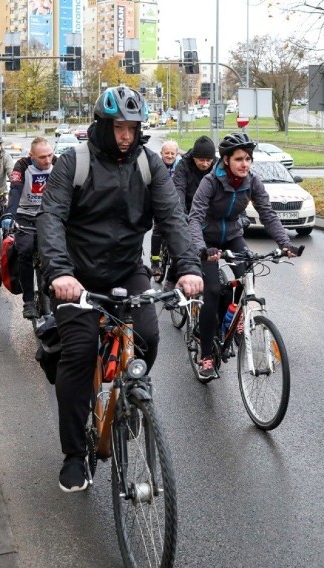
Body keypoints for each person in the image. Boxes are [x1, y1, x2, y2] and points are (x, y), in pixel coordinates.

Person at [37, 86, 203, 492]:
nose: (126, 135)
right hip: (77, 276)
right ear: (102, 124)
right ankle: (75, 454)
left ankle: (128, 400)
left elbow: (172, 218)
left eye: (132, 127)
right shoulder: (73, 163)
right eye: (118, 127)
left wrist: (188, 267)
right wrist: (60, 272)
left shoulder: (149, 165)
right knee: (77, 354)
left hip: (127, 270)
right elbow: (51, 218)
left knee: (148, 334)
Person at [188, 132, 299, 381]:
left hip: (233, 236)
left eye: (248, 159)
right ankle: (205, 354)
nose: (245, 164)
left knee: (246, 276)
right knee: (213, 290)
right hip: (207, 239)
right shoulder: (210, 182)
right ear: (226, 160)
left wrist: (285, 243)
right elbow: (194, 218)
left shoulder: (252, 181)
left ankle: (234, 317)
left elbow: (267, 214)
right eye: (239, 159)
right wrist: (202, 248)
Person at [154, 135, 217, 291]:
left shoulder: (216, 166)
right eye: (201, 160)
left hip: (205, 209)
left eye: (208, 160)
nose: (205, 164)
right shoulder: (183, 166)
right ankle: (170, 278)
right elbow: (179, 190)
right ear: (194, 157)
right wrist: (182, 216)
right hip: (186, 207)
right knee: (184, 244)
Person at [3, 137, 56, 319]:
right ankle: (28, 301)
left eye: (50, 155)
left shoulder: (57, 163)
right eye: (42, 157)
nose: (48, 161)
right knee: (24, 250)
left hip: (48, 214)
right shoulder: (22, 165)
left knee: (57, 250)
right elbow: (15, 190)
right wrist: (10, 214)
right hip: (25, 214)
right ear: (31, 155)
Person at [149, 140, 182, 277]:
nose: (169, 156)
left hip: (175, 202)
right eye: (166, 153)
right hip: (158, 202)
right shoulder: (155, 165)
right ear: (161, 153)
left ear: (177, 154)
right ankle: (155, 261)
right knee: (158, 230)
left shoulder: (181, 166)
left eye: (172, 153)